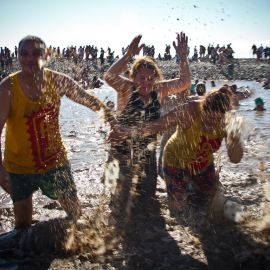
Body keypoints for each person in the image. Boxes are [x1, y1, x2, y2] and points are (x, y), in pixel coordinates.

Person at [0, 35, 116, 229]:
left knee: (75, 214)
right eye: (24, 54)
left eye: (36, 53)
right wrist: (0, 171)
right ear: (17, 56)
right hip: (18, 167)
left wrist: (112, 120)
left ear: (46, 55)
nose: (30, 59)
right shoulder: (7, 88)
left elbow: (88, 99)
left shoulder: (57, 81)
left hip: (55, 162)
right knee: (22, 227)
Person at [103, 32, 190, 223]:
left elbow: (185, 83)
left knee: (148, 201)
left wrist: (183, 57)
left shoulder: (159, 89)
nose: (146, 82)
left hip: (147, 149)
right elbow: (108, 75)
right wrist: (128, 55)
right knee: (120, 200)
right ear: (133, 77)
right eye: (142, 78)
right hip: (122, 148)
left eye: (151, 78)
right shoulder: (126, 88)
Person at [160, 86, 244, 220]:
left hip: (202, 164)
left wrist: (234, 137)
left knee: (211, 204)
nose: (211, 125)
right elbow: (159, 124)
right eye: (208, 119)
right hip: (174, 161)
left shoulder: (228, 122)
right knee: (178, 211)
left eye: (216, 121)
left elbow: (235, 159)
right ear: (202, 109)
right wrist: (128, 131)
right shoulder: (192, 110)